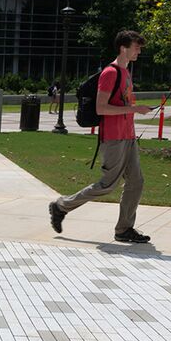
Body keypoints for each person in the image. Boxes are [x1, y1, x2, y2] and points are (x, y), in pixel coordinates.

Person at [49, 30, 155, 244]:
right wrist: (135, 110)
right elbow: (101, 108)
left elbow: (122, 104)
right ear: (123, 48)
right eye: (136, 47)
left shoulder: (126, 72)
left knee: (136, 181)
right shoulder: (110, 73)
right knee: (107, 185)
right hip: (114, 138)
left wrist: (134, 111)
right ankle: (61, 206)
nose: (139, 51)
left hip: (128, 136)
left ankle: (124, 229)